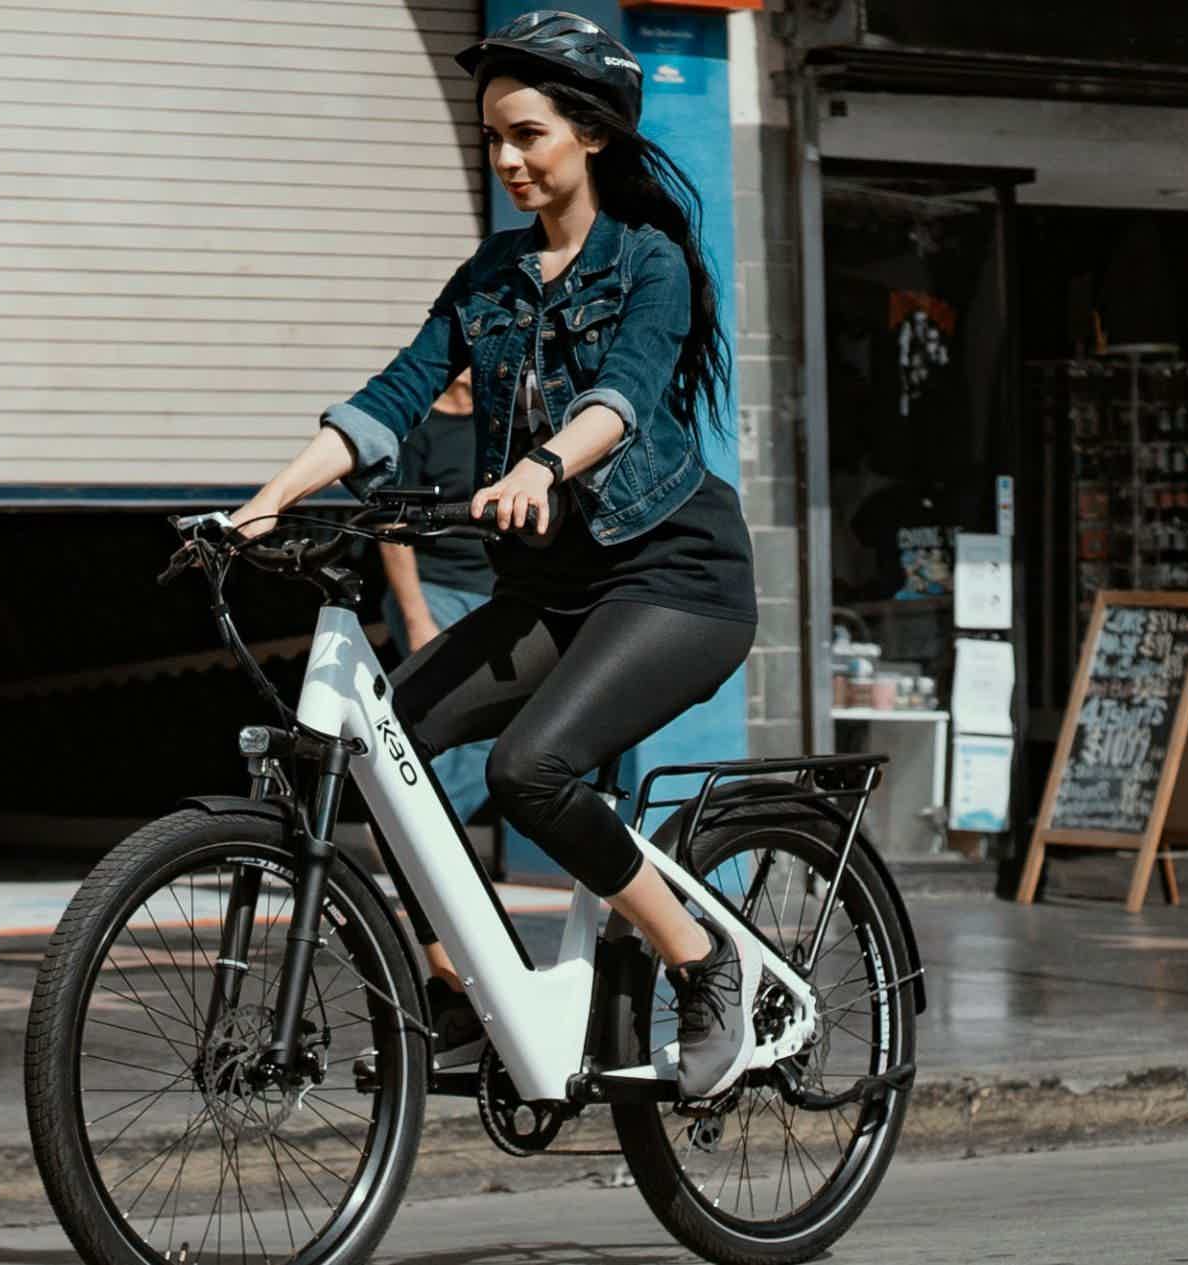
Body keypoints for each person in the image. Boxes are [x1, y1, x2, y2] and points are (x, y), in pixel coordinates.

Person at [231, 11, 759, 1097]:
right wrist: (265, 498)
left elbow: (623, 395)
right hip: (555, 590)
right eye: (495, 142)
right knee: (382, 751)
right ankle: (462, 992)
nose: (511, 160)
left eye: (529, 135)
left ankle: (704, 963)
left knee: (529, 770)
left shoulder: (650, 263)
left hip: (673, 581)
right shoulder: (490, 276)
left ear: (592, 135)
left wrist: (541, 467)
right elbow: (391, 397)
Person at [377, 368, 496, 826]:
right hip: (433, 590)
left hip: (491, 591)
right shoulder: (419, 430)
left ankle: (430, 838)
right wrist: (417, 618)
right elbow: (392, 529)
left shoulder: (494, 423)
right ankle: (415, 839)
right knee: (438, 715)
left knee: (489, 728)